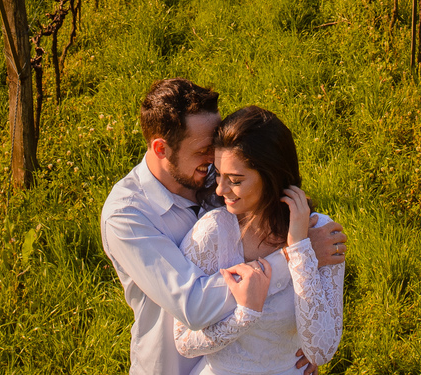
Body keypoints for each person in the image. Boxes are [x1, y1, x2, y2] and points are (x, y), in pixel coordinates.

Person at [101, 79, 348, 375]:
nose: (213, 160)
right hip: (171, 366)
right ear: (161, 149)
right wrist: (297, 256)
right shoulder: (127, 216)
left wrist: (290, 349)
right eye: (205, 149)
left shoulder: (211, 175)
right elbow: (194, 305)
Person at [173, 106, 345, 375]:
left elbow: (321, 350)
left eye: (236, 180)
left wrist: (300, 247)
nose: (220, 189)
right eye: (218, 175)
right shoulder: (212, 232)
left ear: (271, 176)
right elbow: (184, 341)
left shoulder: (319, 231)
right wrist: (244, 316)